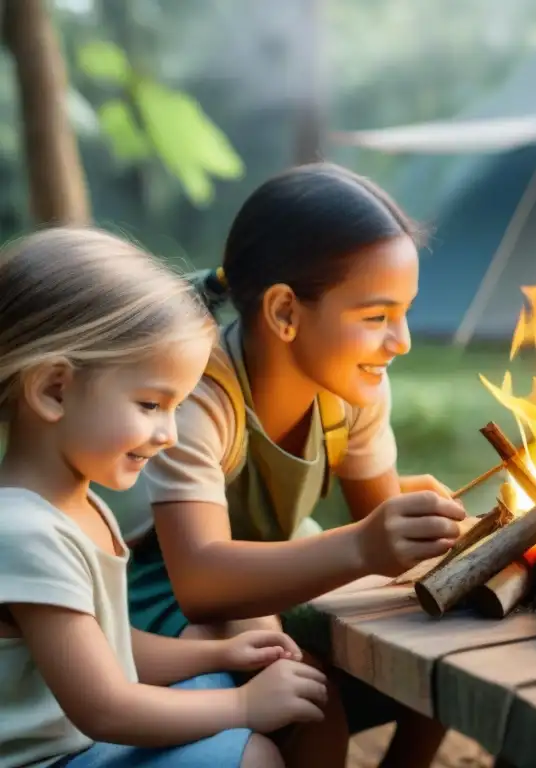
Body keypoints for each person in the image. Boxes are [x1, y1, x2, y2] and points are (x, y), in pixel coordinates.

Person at [125, 163, 466, 768]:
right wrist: (364, 545)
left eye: (405, 312)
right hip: (166, 593)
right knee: (307, 698)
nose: (402, 341)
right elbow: (201, 582)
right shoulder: (200, 392)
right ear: (284, 312)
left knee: (439, 627)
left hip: (277, 565)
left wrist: (426, 527)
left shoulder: (350, 390)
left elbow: (381, 523)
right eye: (376, 316)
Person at [0, 227, 332, 768]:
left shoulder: (74, 506)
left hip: (80, 746)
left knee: (212, 680)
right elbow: (104, 707)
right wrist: (244, 704)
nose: (171, 434)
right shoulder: (25, 531)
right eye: (152, 404)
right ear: (54, 390)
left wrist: (218, 652)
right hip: (51, 760)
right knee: (253, 758)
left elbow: (108, 650)